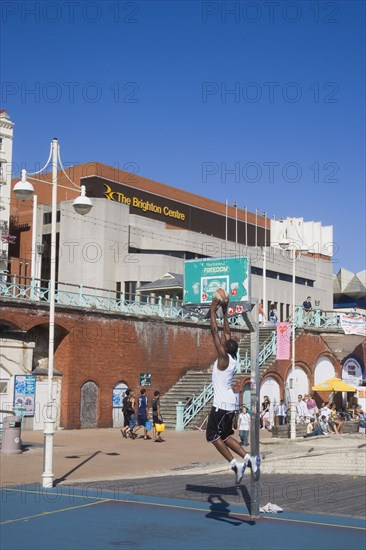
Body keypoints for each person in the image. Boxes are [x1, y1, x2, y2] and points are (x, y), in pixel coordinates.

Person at [206, 295, 260, 484]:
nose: (222, 341)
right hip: (231, 403)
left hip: (221, 404)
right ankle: (248, 458)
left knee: (212, 436)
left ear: (225, 349)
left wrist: (213, 310)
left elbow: (215, 332)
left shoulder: (223, 358)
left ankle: (234, 464)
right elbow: (225, 333)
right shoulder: (233, 358)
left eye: (224, 343)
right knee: (226, 435)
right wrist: (226, 311)